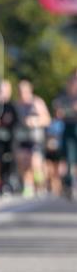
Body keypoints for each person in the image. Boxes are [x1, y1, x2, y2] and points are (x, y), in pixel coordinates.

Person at [14, 79, 51, 197]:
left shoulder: (37, 102)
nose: (22, 94)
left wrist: (35, 121)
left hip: (35, 139)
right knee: (23, 163)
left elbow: (47, 120)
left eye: (24, 91)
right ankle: (28, 186)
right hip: (22, 138)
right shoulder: (17, 105)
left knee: (35, 164)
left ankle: (41, 186)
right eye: (20, 92)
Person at [54, 69, 77, 198]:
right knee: (69, 158)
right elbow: (58, 112)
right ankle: (69, 185)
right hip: (68, 127)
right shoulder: (64, 95)